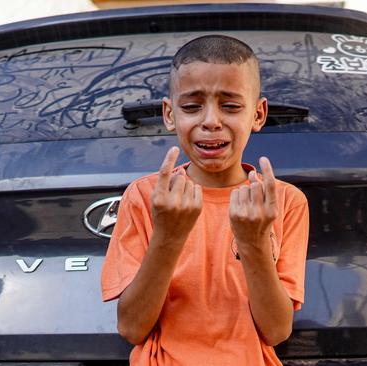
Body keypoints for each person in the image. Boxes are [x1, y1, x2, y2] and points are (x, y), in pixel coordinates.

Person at [101, 35, 309, 366]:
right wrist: (168, 235)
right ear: (169, 114)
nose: (210, 121)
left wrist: (254, 244)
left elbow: (276, 330)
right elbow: (131, 328)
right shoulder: (146, 197)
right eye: (192, 106)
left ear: (258, 114)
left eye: (230, 106)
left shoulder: (282, 202)